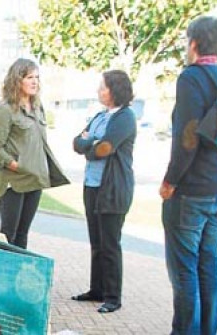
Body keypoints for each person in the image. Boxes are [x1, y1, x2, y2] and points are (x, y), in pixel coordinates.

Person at [159, 16, 217, 335]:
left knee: (185, 269)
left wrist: (170, 180)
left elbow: (188, 137)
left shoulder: (191, 78)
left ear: (194, 44)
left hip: (191, 192)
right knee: (208, 264)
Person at [70, 70, 137, 314]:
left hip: (113, 189)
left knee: (110, 243)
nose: (99, 90)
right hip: (92, 186)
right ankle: (96, 289)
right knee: (96, 242)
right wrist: (90, 143)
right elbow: (77, 142)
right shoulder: (100, 116)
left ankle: (112, 296)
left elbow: (106, 148)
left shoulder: (125, 117)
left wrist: (91, 143)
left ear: (115, 90)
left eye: (103, 87)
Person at [0, 58, 69, 249]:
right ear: (17, 80)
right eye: (29, 77)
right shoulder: (5, 110)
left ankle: (16, 277)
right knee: (9, 234)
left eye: (37, 77)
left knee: (23, 234)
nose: (35, 82)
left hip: (34, 180)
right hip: (14, 182)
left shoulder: (38, 108)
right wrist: (16, 166)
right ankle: (1, 275)